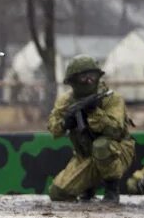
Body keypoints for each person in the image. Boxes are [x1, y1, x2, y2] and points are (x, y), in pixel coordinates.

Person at [47, 55, 135, 203]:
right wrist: (65, 123)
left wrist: (94, 112)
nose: (89, 81)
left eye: (92, 76)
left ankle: (112, 190)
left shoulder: (111, 98)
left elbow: (115, 131)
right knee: (57, 193)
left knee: (101, 146)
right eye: (83, 77)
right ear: (73, 80)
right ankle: (88, 188)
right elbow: (53, 129)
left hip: (117, 151)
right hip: (85, 155)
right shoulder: (66, 101)